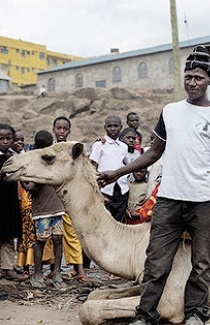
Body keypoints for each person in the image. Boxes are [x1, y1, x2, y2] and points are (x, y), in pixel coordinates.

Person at [98, 45, 210, 325]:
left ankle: (195, 314)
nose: (192, 83)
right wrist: (117, 172)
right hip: (168, 200)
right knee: (156, 262)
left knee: (202, 262)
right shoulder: (170, 112)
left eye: (198, 77)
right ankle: (145, 316)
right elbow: (153, 152)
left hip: (202, 201)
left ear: (209, 80)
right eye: (188, 77)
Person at [24, 130, 66, 289]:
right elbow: (32, 188)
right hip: (47, 209)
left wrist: (22, 180)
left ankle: (49, 273)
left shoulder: (42, 163)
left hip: (52, 208)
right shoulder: (42, 163)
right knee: (50, 240)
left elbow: (31, 187)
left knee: (49, 240)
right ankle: (47, 273)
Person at [0, 124, 24, 285]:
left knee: (8, 236)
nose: (5, 141)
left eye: (8, 138)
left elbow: (19, 181)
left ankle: (7, 268)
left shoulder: (15, 157)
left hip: (10, 201)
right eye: (1, 138)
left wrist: (19, 199)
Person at [51, 116, 87, 282]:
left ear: (69, 131)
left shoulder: (74, 150)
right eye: (59, 128)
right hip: (52, 199)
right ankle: (54, 269)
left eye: (65, 129)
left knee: (72, 234)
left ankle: (79, 269)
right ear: (53, 130)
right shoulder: (49, 150)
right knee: (53, 236)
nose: (62, 131)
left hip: (69, 197)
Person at [90, 115, 130, 223]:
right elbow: (92, 166)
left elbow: (128, 165)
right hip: (104, 188)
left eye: (115, 126)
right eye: (109, 126)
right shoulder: (99, 145)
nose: (112, 129)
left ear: (121, 127)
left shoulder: (123, 146)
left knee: (119, 221)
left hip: (122, 189)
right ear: (105, 127)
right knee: (104, 221)